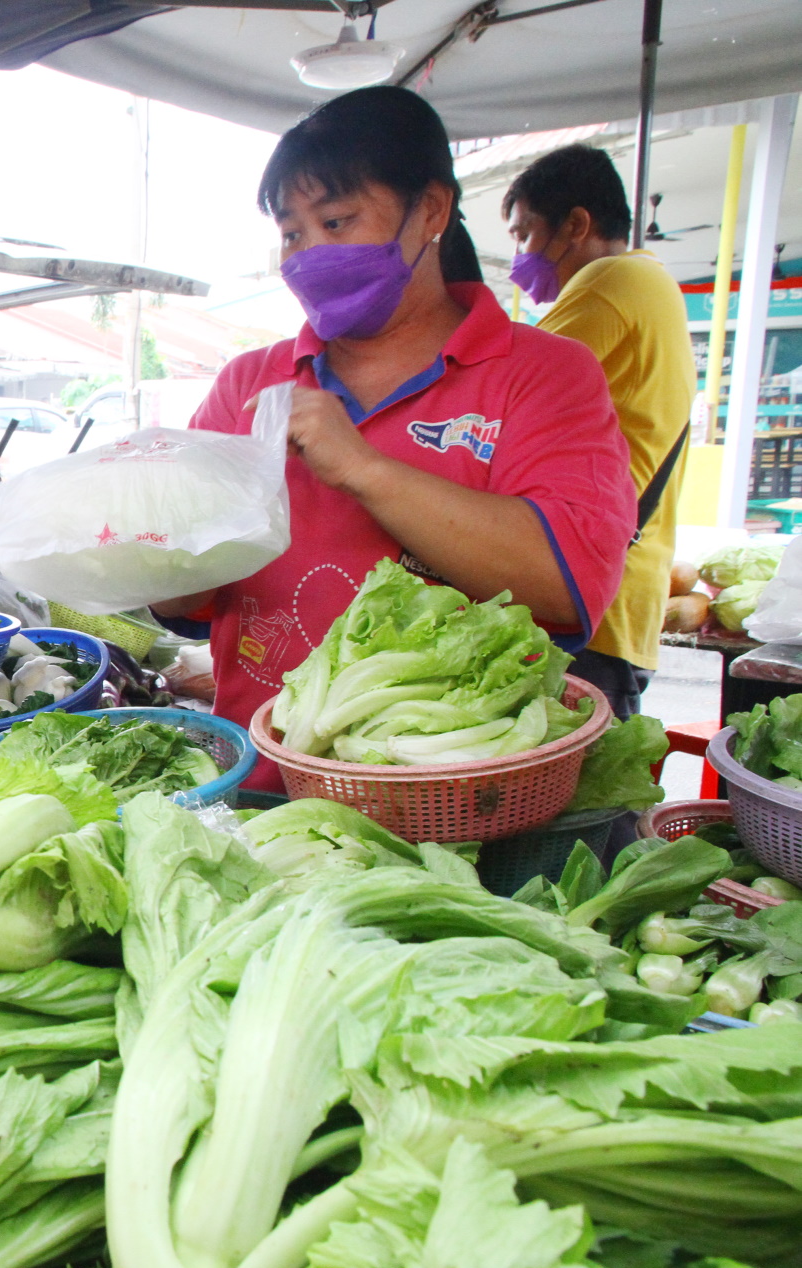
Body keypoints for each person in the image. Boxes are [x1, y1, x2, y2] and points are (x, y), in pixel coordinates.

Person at [158, 87, 637, 784]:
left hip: (460, 813)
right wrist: (146, 524)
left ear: (432, 211)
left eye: (337, 221)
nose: (309, 252)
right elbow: (176, 601)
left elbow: (567, 588)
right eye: (293, 234)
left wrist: (364, 469)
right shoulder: (248, 386)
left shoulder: (545, 375)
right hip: (264, 798)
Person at [504, 144, 694, 718]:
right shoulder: (652, 284)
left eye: (525, 234)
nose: (520, 255)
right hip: (621, 597)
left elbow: (504, 381)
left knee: (575, 797)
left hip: (589, 602)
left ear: (577, 225)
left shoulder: (613, 279)